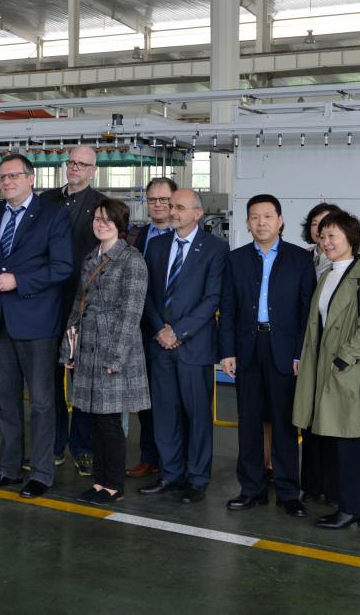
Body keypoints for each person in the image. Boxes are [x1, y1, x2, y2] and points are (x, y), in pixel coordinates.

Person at [0, 154, 73, 499]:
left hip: (38, 322)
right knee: (5, 400)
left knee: (43, 403)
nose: (7, 182)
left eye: (13, 176)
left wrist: (19, 280)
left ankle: (42, 473)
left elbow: (62, 267)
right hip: (0, 321)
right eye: (2, 177)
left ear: (31, 179)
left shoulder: (53, 214)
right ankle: (8, 468)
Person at [218, 194, 314, 516]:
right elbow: (227, 308)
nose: (261, 223)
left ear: (280, 220)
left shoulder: (299, 259)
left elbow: (307, 313)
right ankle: (252, 490)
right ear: (247, 223)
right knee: (249, 423)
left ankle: (288, 493)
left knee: (285, 424)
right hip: (247, 347)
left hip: (285, 350)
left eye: (268, 216)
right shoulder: (235, 259)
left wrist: (300, 352)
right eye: (255, 217)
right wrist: (227, 351)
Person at [293, 209, 360, 529]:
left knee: (349, 440)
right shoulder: (328, 276)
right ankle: (344, 502)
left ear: (351, 238)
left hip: (344, 371)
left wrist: (344, 359)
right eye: (323, 236)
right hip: (321, 369)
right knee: (330, 439)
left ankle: (352, 507)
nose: (326, 242)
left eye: (333, 236)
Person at [138, 189, 229, 504]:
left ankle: (197, 479)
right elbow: (147, 294)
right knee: (165, 415)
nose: (172, 211)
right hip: (160, 345)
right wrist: (159, 329)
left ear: (197, 213)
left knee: (198, 416)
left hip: (194, 347)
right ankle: (170, 474)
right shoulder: (157, 246)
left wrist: (178, 331)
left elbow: (212, 298)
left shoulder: (216, 248)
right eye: (170, 205)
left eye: (179, 206)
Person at [61, 198, 149, 505]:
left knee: (110, 422)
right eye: (97, 219)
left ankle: (114, 486)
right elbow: (78, 305)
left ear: (120, 225)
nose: (101, 224)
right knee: (95, 420)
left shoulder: (131, 260)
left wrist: (116, 357)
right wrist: (69, 349)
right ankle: (100, 482)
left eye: (108, 220)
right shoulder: (91, 256)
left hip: (113, 348)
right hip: (88, 347)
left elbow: (131, 314)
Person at [41, 146, 104, 477]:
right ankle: (54, 445)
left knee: (82, 381)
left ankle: (83, 448)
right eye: (71, 162)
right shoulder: (46, 200)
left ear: (93, 170)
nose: (75, 168)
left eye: (82, 164)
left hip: (83, 305)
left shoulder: (101, 206)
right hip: (46, 302)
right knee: (48, 380)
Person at [125, 176, 177, 479]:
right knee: (145, 399)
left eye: (164, 199)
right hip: (143, 328)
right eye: (152, 199)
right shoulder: (137, 236)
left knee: (174, 401)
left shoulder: (185, 235)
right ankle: (149, 457)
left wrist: (168, 327)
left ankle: (176, 460)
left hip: (176, 332)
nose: (157, 205)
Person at [297, 201, 341, 504]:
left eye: (328, 226)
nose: (321, 231)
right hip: (304, 350)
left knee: (332, 422)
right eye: (316, 224)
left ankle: (332, 484)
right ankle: (311, 484)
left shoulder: (347, 266)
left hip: (332, 355)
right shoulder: (301, 258)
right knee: (309, 420)